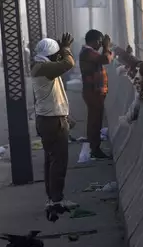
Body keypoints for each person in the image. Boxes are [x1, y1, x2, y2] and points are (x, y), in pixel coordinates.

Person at [31, 34, 79, 210]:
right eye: (56, 54)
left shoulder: (40, 66)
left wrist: (65, 115)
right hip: (53, 121)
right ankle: (57, 200)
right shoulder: (44, 68)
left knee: (51, 160)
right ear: (51, 55)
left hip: (49, 118)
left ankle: (52, 198)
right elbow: (69, 63)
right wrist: (66, 49)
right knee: (58, 161)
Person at [79, 29, 114, 160]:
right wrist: (106, 47)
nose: (100, 45)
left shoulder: (89, 52)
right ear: (94, 41)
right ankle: (95, 149)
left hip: (95, 91)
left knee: (96, 120)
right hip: (93, 92)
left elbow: (106, 58)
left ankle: (94, 147)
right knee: (95, 121)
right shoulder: (87, 52)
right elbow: (105, 59)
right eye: (99, 42)